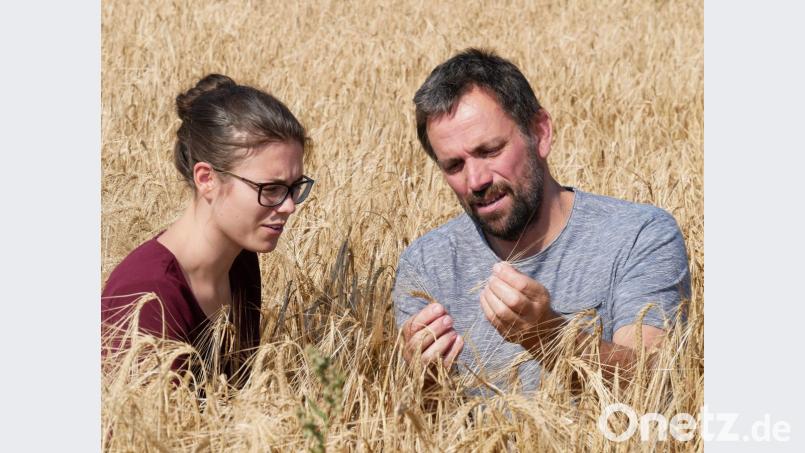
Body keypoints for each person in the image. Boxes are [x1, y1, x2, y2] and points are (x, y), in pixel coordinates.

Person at [393, 49, 690, 394]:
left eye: (490, 151)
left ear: (540, 133)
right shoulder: (425, 265)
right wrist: (423, 382)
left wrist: (550, 336)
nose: (475, 180)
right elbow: (424, 426)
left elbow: (655, 383)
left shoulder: (639, 236)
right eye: (454, 166)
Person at [102, 74, 314, 381]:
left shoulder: (239, 262)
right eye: (270, 189)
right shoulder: (148, 295)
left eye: (295, 187)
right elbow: (143, 428)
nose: (289, 206)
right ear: (207, 179)